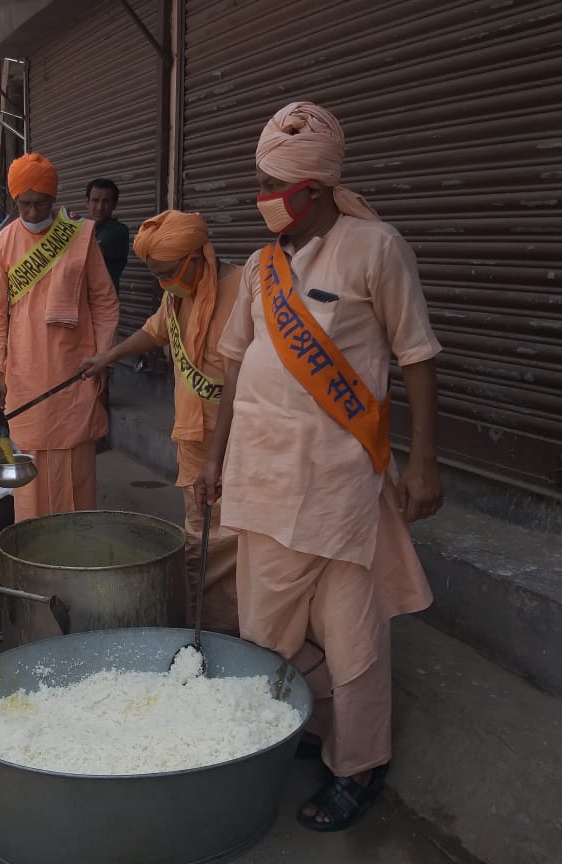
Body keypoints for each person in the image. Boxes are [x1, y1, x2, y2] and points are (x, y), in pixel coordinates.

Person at [195, 101, 443, 832]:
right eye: (261, 180)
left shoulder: (377, 247)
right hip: (262, 484)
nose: (263, 196)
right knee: (265, 632)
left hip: (341, 491)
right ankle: (305, 724)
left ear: (317, 189)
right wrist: (213, 456)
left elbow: (418, 357)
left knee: (354, 638)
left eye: (276, 184)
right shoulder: (263, 267)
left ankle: (359, 764)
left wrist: (422, 463)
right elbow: (235, 367)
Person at [79, 211, 242, 633]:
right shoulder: (177, 295)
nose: (162, 284)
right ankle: (205, 624)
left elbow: (241, 382)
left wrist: (217, 460)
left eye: (167, 273)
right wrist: (107, 357)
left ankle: (237, 629)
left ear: (196, 256)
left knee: (236, 541)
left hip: (239, 443)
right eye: (156, 276)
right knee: (199, 538)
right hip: (194, 441)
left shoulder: (244, 289)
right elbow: (154, 332)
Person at [0, 153, 119, 520]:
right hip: (24, 376)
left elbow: (104, 301)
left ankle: (78, 554)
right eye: (25, 204)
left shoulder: (80, 235)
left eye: (41, 203)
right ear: (15, 201)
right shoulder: (1, 246)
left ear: (54, 199)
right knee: (30, 472)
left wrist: (103, 356)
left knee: (77, 469)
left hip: (76, 372)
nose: (33, 211)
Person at [86, 178, 129, 292]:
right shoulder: (84, 229)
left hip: (104, 302)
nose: (100, 207)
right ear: (87, 202)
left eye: (105, 201)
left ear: (114, 205)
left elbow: (89, 254)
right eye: (95, 200)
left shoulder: (117, 231)